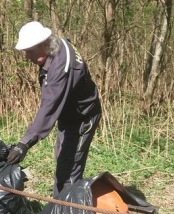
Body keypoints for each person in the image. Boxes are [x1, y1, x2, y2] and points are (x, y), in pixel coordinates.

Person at [6, 20, 102, 197]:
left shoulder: (62, 67)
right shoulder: (55, 45)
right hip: (68, 115)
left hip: (82, 118)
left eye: (29, 51)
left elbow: (49, 107)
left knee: (69, 170)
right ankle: (60, 205)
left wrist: (24, 144)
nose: (27, 57)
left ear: (43, 43)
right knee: (63, 161)